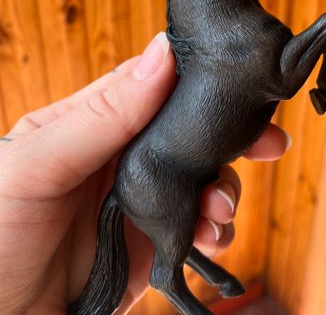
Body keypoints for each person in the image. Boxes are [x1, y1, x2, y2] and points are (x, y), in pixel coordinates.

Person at [0, 32, 290, 314]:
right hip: (150, 168)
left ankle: (203, 267)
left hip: (148, 162)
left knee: (188, 220)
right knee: (188, 217)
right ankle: (175, 280)